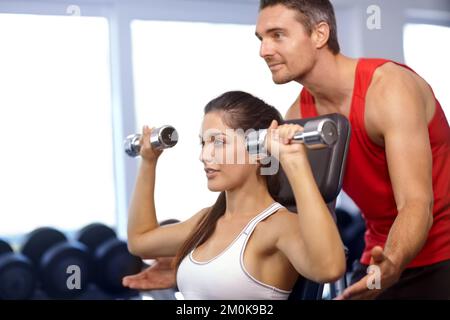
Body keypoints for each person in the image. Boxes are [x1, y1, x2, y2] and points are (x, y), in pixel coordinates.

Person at [255, 0, 450, 299]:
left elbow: (415, 203)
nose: (264, 50)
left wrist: (393, 262)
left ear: (320, 34)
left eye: (277, 35)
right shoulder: (298, 116)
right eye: (261, 39)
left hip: (440, 251)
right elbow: (293, 214)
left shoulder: (388, 88)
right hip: (378, 255)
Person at [126, 91, 346, 299]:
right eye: (203, 142)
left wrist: (294, 161)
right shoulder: (206, 222)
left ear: (259, 151)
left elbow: (330, 268)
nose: (204, 155)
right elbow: (140, 241)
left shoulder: (277, 226)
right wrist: (148, 162)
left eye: (219, 142)